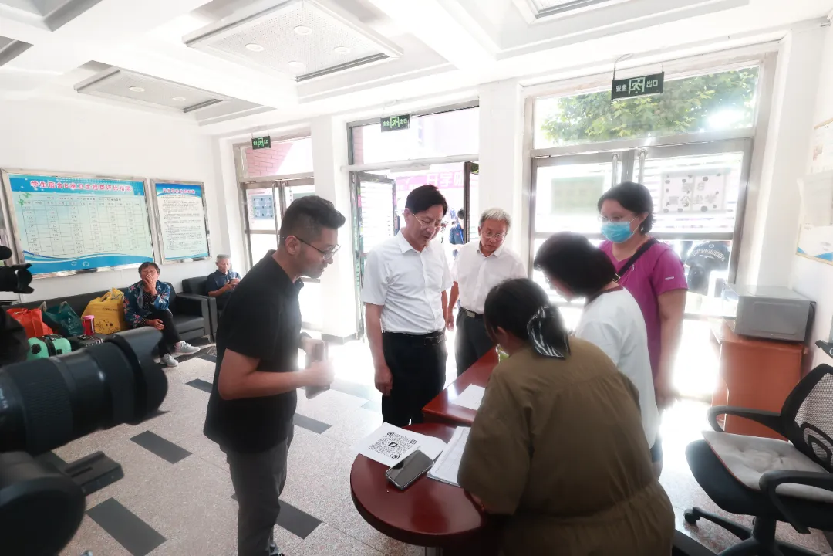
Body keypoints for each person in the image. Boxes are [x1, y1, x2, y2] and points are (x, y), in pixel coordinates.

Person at [458, 278, 675, 556]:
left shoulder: (511, 376)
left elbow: (492, 496)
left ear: (500, 332)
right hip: (655, 523)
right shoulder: (589, 351)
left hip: (582, 543)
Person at [203, 195, 345, 556]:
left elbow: (274, 330)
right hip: (251, 429)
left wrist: (304, 340)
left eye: (333, 250)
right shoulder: (262, 294)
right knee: (260, 511)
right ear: (293, 243)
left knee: (268, 498)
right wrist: (308, 375)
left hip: (272, 416)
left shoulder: (284, 280)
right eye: (325, 250)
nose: (329, 259)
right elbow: (232, 384)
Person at [534, 232, 662, 476]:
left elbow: (588, 393)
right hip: (641, 424)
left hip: (623, 441)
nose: (552, 286)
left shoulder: (601, 319)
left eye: (551, 279)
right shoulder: (618, 295)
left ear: (571, 275)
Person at [362, 184, 452, 426]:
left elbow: (442, 291)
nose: (432, 229)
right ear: (407, 215)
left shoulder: (438, 250)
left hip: (435, 350)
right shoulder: (382, 254)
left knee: (431, 419)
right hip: (401, 351)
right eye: (426, 221)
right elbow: (372, 313)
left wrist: (443, 329)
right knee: (397, 424)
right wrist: (380, 365)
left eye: (438, 223)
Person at [598, 181, 687, 407]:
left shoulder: (663, 258)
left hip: (644, 360)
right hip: (606, 353)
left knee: (640, 422)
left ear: (641, 217)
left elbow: (672, 319)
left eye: (617, 218)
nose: (609, 224)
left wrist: (665, 374)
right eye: (605, 218)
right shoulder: (601, 251)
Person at [447, 208, 525, 376]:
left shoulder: (513, 262)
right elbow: (456, 282)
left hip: (493, 325)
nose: (492, 239)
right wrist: (449, 309)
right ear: (479, 230)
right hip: (465, 319)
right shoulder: (466, 251)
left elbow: (520, 300)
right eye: (488, 233)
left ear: (505, 235)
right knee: (463, 369)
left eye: (499, 235)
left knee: (489, 372)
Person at [124, 262, 199, 368]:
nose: (148, 274)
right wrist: (149, 322)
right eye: (145, 272)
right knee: (161, 320)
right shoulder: (131, 290)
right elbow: (129, 315)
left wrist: (152, 290)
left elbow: (163, 306)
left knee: (163, 316)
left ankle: (170, 352)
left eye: (152, 271)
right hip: (141, 320)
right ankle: (171, 350)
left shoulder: (164, 287)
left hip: (160, 317)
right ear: (140, 275)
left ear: (158, 274)